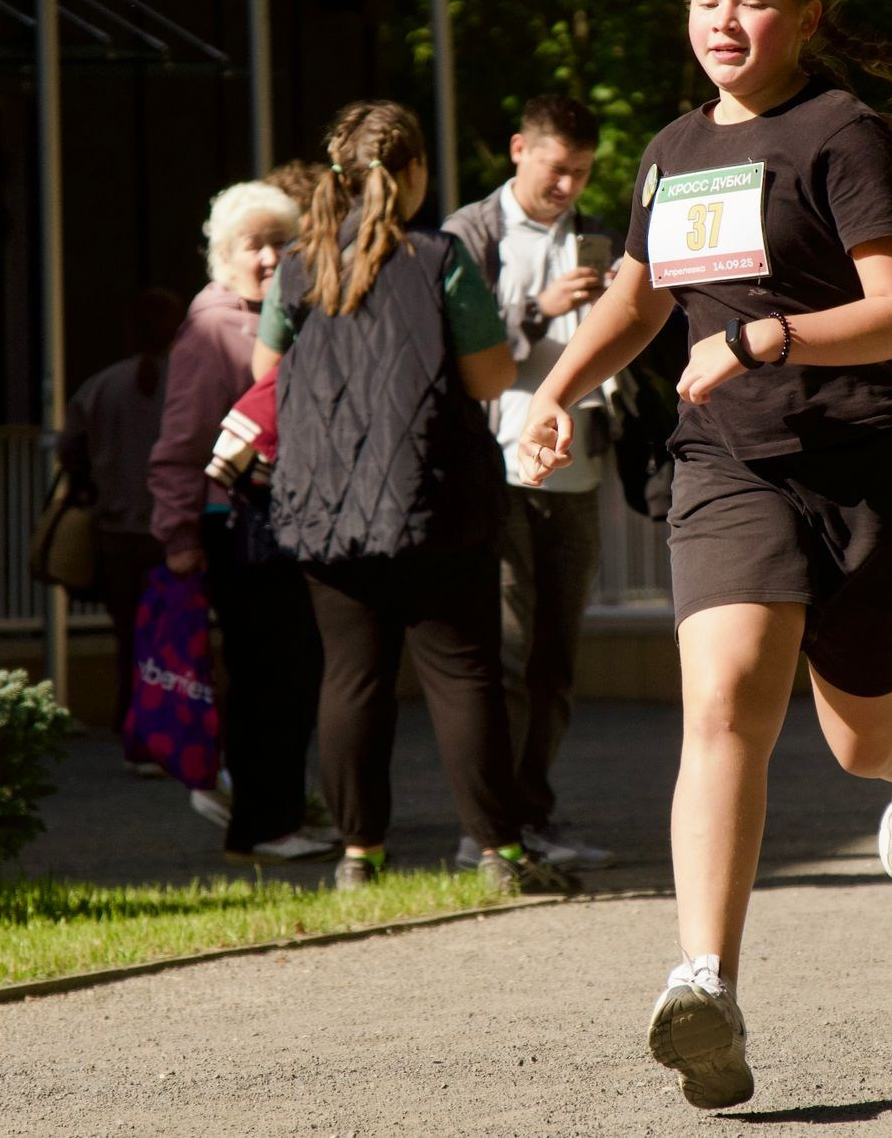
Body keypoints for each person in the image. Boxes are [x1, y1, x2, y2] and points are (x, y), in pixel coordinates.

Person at [516, 0, 892, 1109]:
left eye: (750, 0)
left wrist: (764, 335)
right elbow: (639, 296)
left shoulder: (843, 134)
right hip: (727, 462)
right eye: (706, 0)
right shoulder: (673, 147)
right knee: (726, 698)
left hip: (872, 467)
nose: (723, 22)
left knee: (860, 739)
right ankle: (707, 983)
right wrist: (554, 390)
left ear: (805, 16)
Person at [257, 100, 574, 901]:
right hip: (433, 499)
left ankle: (357, 855)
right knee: (464, 676)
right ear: (412, 172)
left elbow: (265, 373)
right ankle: (500, 850)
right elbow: (490, 377)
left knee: (351, 678)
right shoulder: (438, 258)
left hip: (325, 504)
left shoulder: (299, 265)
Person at [442, 94, 619, 872]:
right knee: (507, 657)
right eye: (556, 169)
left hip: (579, 471)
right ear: (519, 149)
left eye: (582, 172)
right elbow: (451, 348)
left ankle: (533, 813)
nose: (569, 186)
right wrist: (537, 311)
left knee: (556, 661)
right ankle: (489, 826)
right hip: (497, 467)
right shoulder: (467, 235)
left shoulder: (599, 235)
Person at [146, 180, 331, 862]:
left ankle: (280, 812)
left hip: (283, 523)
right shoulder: (212, 326)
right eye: (254, 245)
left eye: (281, 243)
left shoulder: (283, 312)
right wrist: (178, 535)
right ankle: (261, 825)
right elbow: (181, 442)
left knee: (293, 673)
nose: (270, 257)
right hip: (236, 527)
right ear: (223, 253)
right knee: (267, 678)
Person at [58, 286, 186, 747]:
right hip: (174, 532)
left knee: (128, 634)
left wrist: (94, 483)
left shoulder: (101, 386)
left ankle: (128, 721)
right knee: (171, 636)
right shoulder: (186, 384)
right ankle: (165, 727)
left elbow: (69, 448)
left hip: (116, 531)